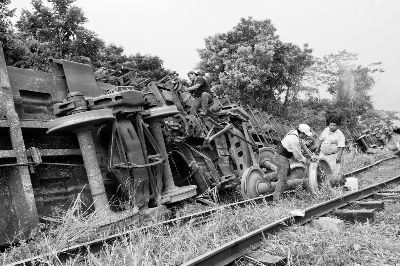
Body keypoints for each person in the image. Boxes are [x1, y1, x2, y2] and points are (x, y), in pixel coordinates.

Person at [273, 124, 317, 200]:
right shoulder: (294, 139)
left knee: (288, 173)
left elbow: (303, 145)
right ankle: (276, 199)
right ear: (302, 133)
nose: (306, 137)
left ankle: (267, 177)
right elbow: (298, 155)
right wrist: (306, 161)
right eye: (306, 135)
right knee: (282, 179)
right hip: (281, 157)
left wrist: (310, 156)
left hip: (284, 157)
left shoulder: (296, 133)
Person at [315, 114, 346, 186]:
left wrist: (339, 156)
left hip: (332, 156)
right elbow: (320, 139)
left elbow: (341, 146)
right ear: (328, 125)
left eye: (334, 125)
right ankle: (322, 185)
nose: (332, 127)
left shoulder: (340, 135)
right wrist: (317, 148)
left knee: (332, 171)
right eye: (331, 125)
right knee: (321, 170)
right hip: (323, 154)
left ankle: (333, 185)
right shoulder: (326, 130)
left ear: (337, 126)